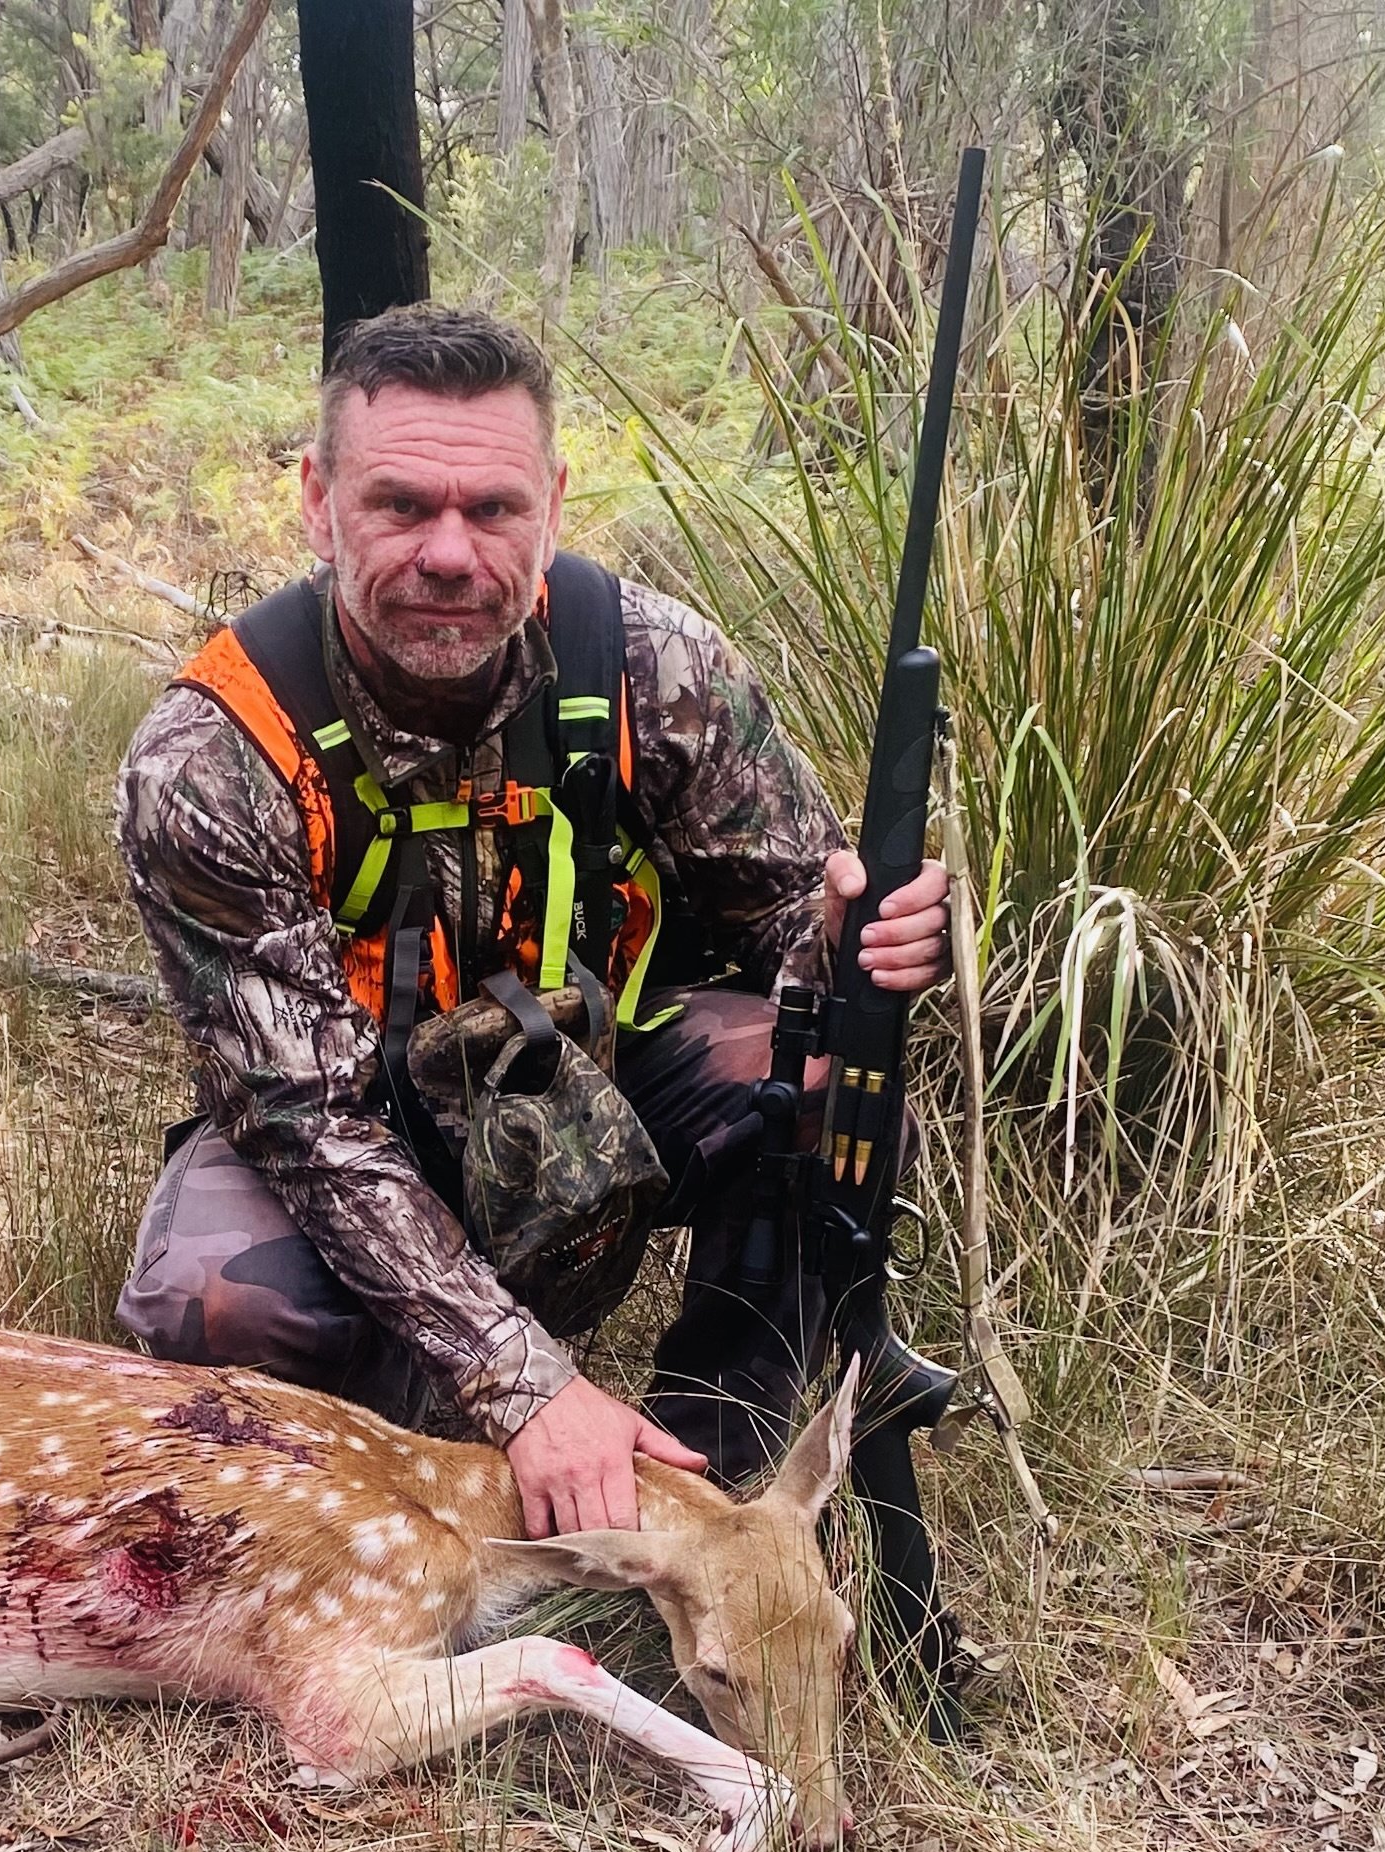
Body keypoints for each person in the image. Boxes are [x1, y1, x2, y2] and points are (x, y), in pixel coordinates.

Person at [114, 304, 950, 1542]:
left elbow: (788, 919)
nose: (449, 555)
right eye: (400, 505)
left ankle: (711, 1488)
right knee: (217, 1309)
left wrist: (864, 940)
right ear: (315, 497)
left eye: (492, 510)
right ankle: (391, 1505)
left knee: (823, 1074)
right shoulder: (212, 754)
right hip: (358, 1118)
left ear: (551, 503)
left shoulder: (652, 663)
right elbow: (306, 1123)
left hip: (594, 1075)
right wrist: (526, 1386)